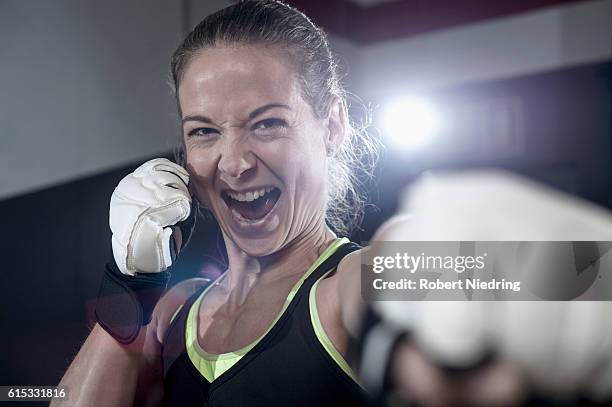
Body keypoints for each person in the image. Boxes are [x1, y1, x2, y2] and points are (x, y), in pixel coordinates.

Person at [53, 1, 612, 406]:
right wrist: (133, 284)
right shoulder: (176, 309)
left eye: (267, 123)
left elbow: (417, 272)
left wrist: (561, 270)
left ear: (333, 124)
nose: (235, 161)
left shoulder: (344, 287)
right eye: (203, 132)